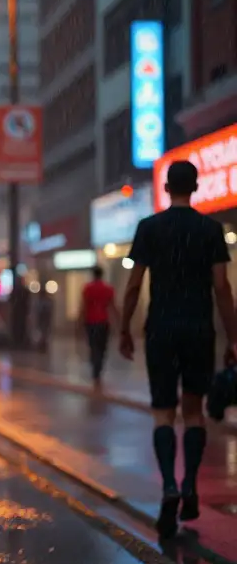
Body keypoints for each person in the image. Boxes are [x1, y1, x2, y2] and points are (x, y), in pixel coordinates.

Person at [120, 159, 237, 539]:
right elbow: (222, 287)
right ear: (197, 187)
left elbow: (135, 284)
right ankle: (190, 486)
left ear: (167, 188)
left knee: (163, 413)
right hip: (199, 330)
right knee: (194, 411)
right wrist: (232, 338)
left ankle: (169, 484)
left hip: (161, 331)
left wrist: (124, 327)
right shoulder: (210, 230)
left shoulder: (149, 228)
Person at [79, 265, 116, 387]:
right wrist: (120, 321)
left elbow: (84, 306)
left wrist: (80, 322)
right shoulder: (108, 289)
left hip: (91, 322)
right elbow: (112, 306)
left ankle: (95, 371)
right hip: (104, 322)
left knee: (93, 346)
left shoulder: (87, 288)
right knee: (102, 347)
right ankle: (98, 368)